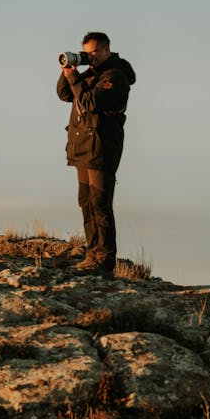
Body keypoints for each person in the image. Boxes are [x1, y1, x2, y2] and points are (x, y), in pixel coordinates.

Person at [57, 32, 136, 276]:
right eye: (86, 52)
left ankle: (104, 261)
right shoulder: (92, 73)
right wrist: (67, 71)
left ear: (106, 50)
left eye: (93, 53)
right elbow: (65, 94)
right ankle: (91, 254)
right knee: (86, 202)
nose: (89, 57)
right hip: (82, 148)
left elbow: (90, 102)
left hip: (102, 148)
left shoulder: (115, 76)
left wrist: (76, 79)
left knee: (100, 203)